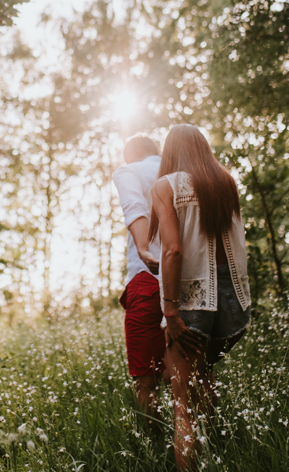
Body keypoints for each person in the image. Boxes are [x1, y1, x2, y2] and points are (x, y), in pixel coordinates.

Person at [150, 125, 250, 470]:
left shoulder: (166, 186)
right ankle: (215, 452)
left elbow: (173, 251)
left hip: (193, 300)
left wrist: (170, 312)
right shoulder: (225, 182)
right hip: (235, 301)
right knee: (202, 373)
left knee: (182, 405)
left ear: (169, 151)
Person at [112, 134, 168, 425]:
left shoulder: (129, 171)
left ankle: (155, 442)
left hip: (147, 278)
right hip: (190, 279)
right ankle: (202, 438)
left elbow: (134, 206)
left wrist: (145, 248)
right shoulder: (181, 173)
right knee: (194, 370)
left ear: (131, 155)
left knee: (145, 376)